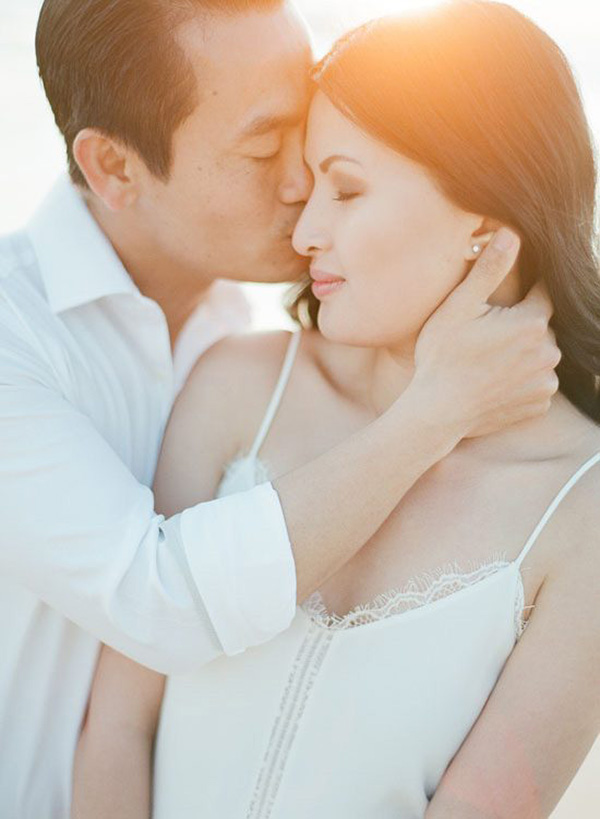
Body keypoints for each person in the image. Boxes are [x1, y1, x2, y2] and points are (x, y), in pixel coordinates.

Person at [0, 0, 558, 816]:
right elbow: (159, 603)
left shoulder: (255, 332)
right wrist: (436, 412)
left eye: (306, 125)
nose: (304, 181)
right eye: (265, 147)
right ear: (114, 168)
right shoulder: (16, 335)